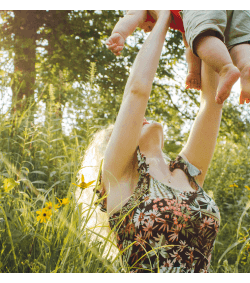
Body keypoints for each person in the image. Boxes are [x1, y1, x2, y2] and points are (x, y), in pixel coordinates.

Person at [77, 11, 222, 273]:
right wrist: (166, 13)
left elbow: (212, 102)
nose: (141, 117)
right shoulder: (119, 177)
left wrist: (199, 25)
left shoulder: (187, 173)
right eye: (131, 124)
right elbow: (137, 90)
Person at [105, 10, 250, 105]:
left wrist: (119, 33)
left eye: (143, 27)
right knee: (238, 39)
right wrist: (194, 73)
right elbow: (189, 46)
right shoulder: (182, 20)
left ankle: (225, 68)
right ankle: (248, 66)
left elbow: (132, 15)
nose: (145, 31)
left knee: (202, 37)